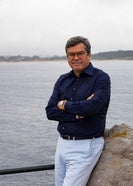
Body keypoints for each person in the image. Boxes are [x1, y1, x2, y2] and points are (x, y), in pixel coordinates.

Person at [45, 36, 111, 186]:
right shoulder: (63, 80)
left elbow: (92, 107)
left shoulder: (101, 79)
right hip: (61, 144)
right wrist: (77, 114)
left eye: (80, 53)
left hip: (86, 145)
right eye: (71, 54)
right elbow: (50, 111)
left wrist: (64, 104)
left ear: (88, 54)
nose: (75, 58)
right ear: (67, 57)